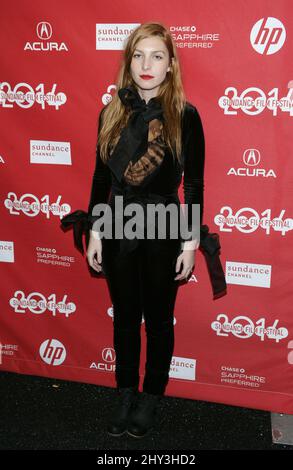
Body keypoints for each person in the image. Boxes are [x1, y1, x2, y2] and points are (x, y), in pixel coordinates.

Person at [61, 22, 227, 439]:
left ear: (171, 64)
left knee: (157, 320)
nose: (146, 64)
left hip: (163, 228)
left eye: (156, 56)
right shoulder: (111, 111)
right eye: (138, 55)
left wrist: (190, 244)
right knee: (124, 320)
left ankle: (151, 395)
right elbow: (101, 180)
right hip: (117, 225)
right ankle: (125, 393)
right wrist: (96, 231)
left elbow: (194, 185)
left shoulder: (185, 116)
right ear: (128, 61)